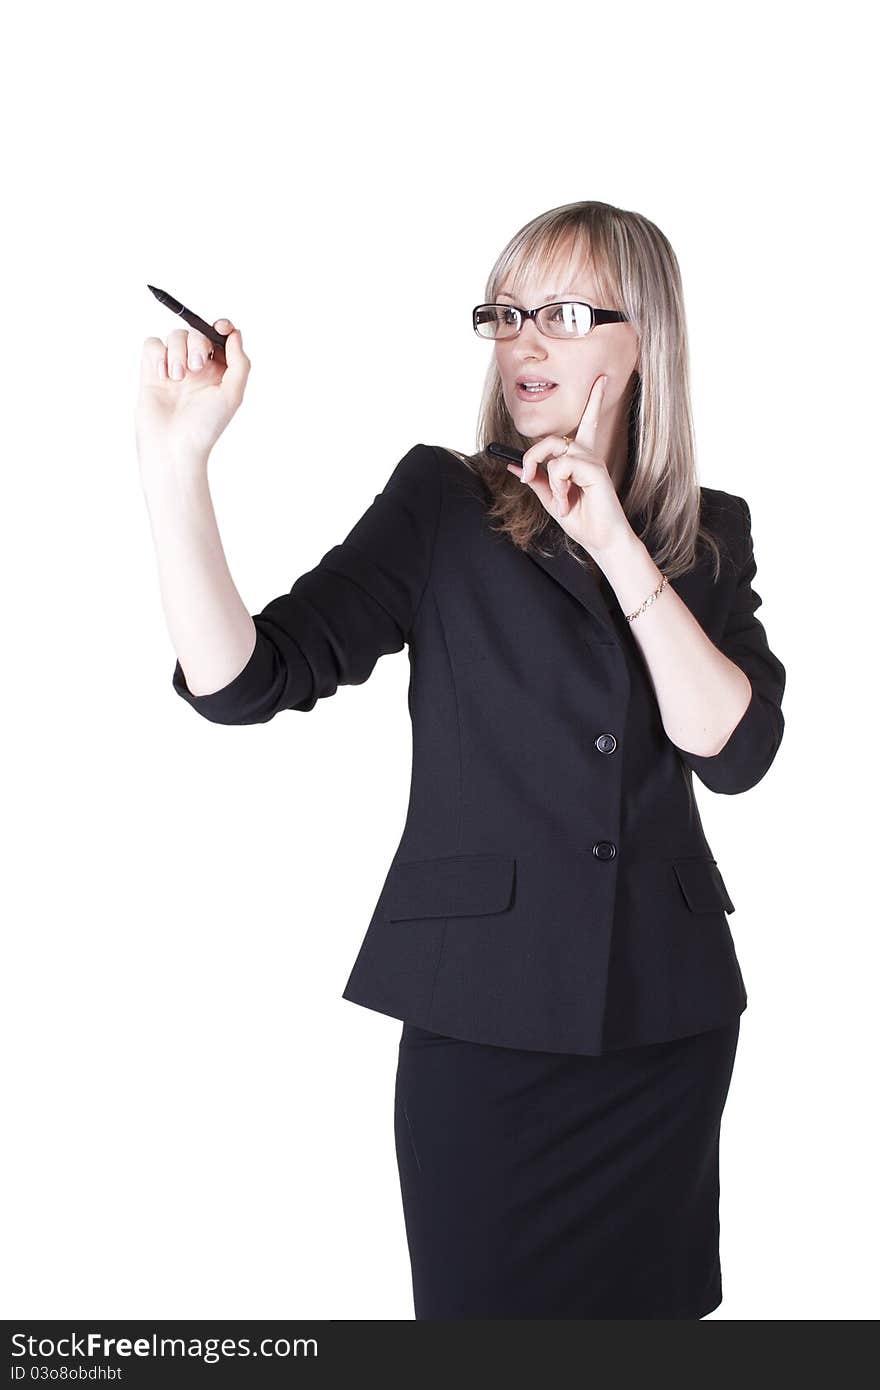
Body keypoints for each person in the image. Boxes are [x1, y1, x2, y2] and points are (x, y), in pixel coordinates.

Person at [135, 200, 786, 1319]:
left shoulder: (704, 533)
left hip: (664, 1027)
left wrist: (613, 541)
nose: (523, 339)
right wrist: (174, 465)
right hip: (483, 1027)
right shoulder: (444, 502)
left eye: (564, 311)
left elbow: (732, 749)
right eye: (504, 311)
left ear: (646, 341)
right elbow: (249, 679)